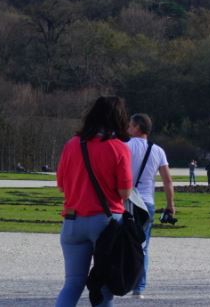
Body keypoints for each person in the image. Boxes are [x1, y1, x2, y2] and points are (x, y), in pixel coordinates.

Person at [53, 96, 134, 307]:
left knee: (72, 284)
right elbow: (125, 192)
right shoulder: (118, 147)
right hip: (105, 223)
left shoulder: (71, 145)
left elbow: (61, 184)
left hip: (72, 219)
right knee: (104, 287)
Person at [126, 113, 176, 300]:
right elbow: (167, 181)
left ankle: (117, 281)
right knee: (143, 245)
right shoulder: (158, 151)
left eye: (130, 125)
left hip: (125, 199)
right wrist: (170, 205)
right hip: (146, 203)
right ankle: (139, 287)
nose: (128, 128)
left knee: (119, 240)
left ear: (138, 127)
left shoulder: (123, 147)